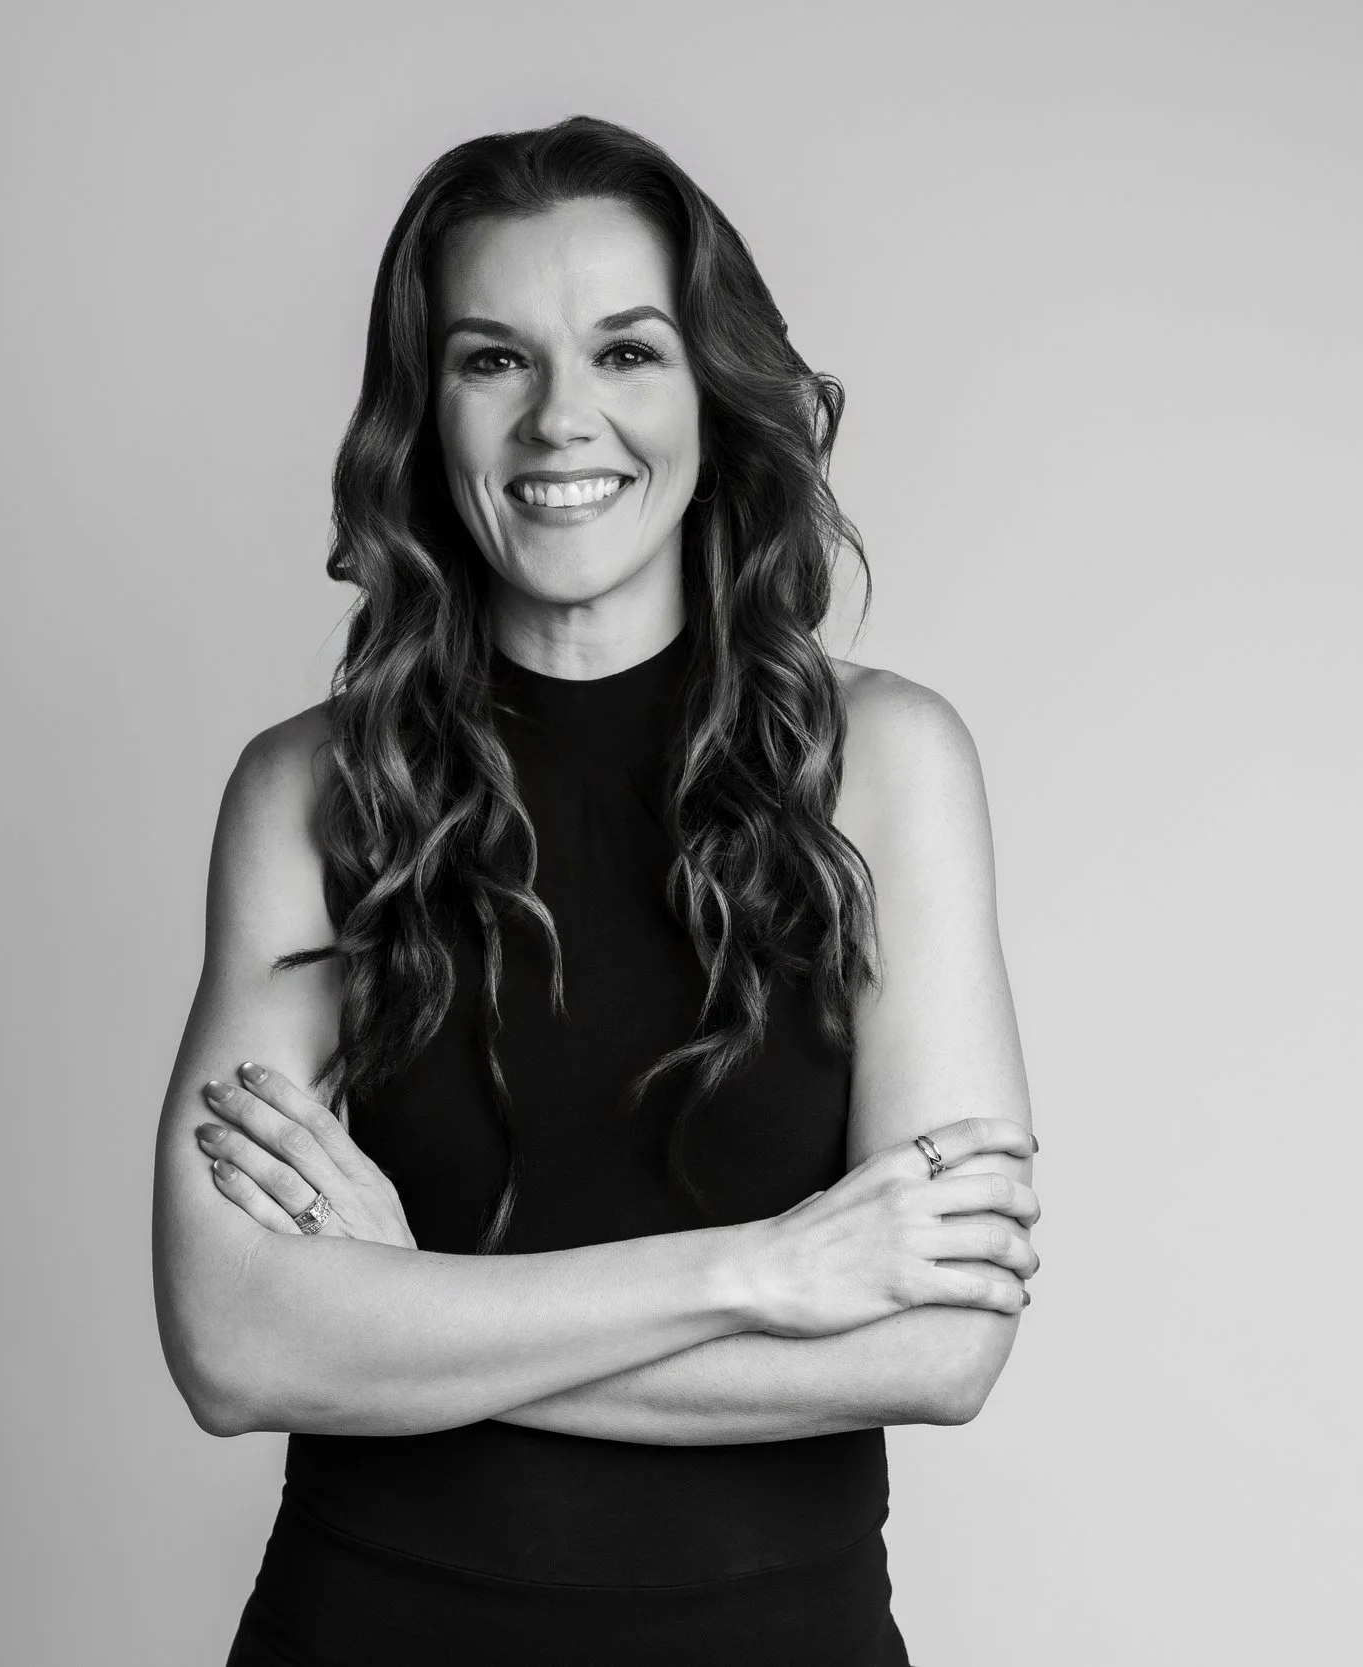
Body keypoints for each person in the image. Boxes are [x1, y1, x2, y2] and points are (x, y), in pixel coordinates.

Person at [149, 114, 1041, 1667]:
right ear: (424, 416)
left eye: (627, 352)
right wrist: (764, 1274)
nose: (565, 420)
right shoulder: (310, 792)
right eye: (495, 360)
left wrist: (403, 1313)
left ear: (714, 395)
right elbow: (233, 1345)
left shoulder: (887, 766)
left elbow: (943, 1338)